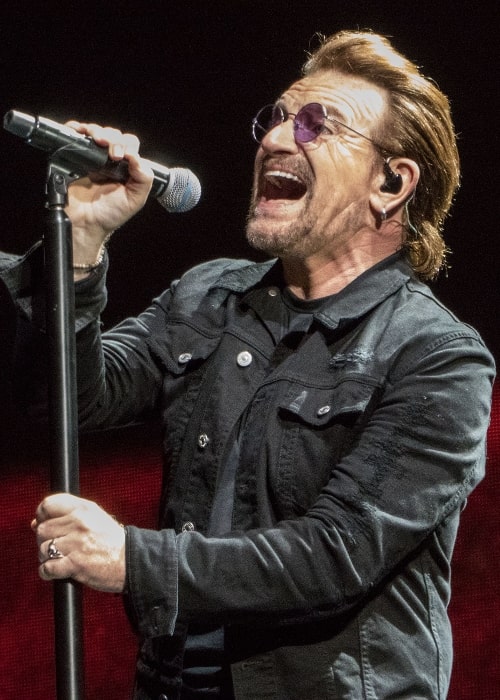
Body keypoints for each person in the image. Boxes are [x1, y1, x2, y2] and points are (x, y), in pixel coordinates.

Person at [0, 29, 495, 700]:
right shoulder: (211, 295)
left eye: (319, 123)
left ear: (391, 182)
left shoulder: (437, 357)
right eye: (279, 117)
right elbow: (69, 398)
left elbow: (335, 551)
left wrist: (130, 557)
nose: (278, 138)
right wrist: (82, 246)